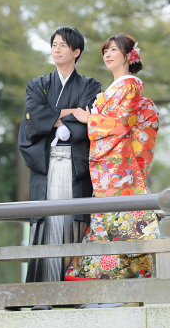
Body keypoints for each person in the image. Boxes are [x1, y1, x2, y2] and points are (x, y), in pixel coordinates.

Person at [66, 33, 160, 280]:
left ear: (128, 56)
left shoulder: (128, 86)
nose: (107, 54)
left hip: (118, 167)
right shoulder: (116, 87)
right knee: (112, 218)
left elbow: (119, 125)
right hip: (111, 165)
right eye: (105, 51)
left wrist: (91, 119)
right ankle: (121, 276)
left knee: (120, 219)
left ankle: (133, 275)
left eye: (113, 50)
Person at [18, 26, 101, 285]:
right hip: (46, 161)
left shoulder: (90, 85)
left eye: (63, 45)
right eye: (54, 44)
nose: (56, 49)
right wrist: (68, 112)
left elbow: (88, 118)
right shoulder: (38, 85)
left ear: (76, 52)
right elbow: (33, 117)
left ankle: (75, 291)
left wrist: (55, 116)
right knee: (46, 222)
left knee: (72, 222)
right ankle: (43, 292)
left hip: (74, 164)